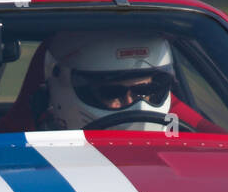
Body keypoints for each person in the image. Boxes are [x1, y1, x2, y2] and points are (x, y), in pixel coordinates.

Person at [37, 31, 177, 132]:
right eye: (112, 93)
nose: (137, 106)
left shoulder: (185, 135)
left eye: (145, 90)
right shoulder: (33, 154)